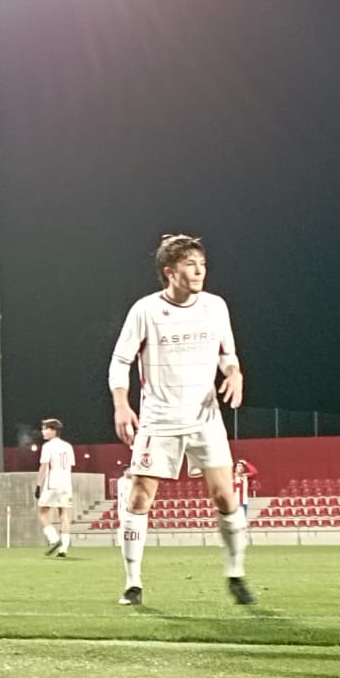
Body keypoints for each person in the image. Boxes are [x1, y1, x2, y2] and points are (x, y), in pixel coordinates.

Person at [110, 235, 255, 607]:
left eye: (202, 264)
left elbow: (228, 353)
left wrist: (235, 372)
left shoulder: (215, 307)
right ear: (169, 271)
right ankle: (133, 582)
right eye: (191, 265)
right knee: (140, 496)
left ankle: (236, 574)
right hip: (159, 419)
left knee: (225, 494)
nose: (199, 271)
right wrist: (122, 405)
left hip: (205, 416)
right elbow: (121, 361)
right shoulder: (145, 310)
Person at [36, 418, 75, 557]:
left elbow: (44, 465)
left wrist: (38, 484)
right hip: (66, 483)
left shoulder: (48, 447)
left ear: (53, 430)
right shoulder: (68, 446)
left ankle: (53, 539)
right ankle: (64, 548)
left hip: (53, 483)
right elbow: (70, 465)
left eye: (45, 429)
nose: (43, 432)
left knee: (42, 511)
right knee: (64, 515)